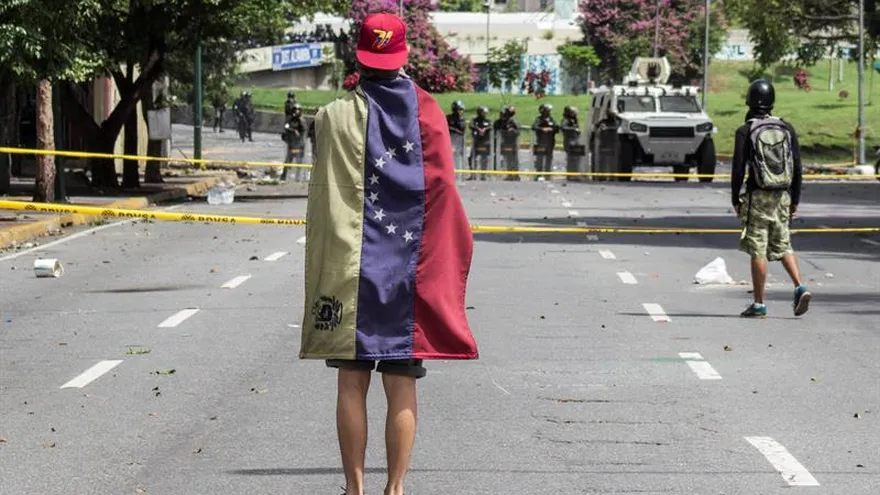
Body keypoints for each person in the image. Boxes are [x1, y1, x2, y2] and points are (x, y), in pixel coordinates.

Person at [299, 12, 478, 495]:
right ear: (402, 55)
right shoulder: (431, 115)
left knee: (350, 385)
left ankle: (354, 490)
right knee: (402, 385)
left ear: (359, 55)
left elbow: (325, 197)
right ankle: (395, 489)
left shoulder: (334, 117)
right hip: (409, 278)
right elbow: (444, 198)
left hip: (352, 275)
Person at [732, 78, 811, 318]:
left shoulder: (745, 131)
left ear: (749, 102)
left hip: (758, 196)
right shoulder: (787, 129)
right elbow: (797, 167)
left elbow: (738, 169)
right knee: (783, 243)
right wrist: (795, 199)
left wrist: (736, 198)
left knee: (758, 248)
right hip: (783, 196)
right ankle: (800, 286)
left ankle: (758, 304)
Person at [532, 103, 559, 180]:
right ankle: (539, 174)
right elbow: (534, 127)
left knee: (549, 158)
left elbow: (556, 128)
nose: (548, 112)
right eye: (547, 110)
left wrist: (552, 129)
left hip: (550, 141)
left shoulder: (551, 119)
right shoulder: (539, 119)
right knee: (540, 158)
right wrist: (542, 129)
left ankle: (548, 174)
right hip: (541, 141)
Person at [494, 105, 520, 181]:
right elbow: (496, 128)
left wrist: (512, 130)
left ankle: (515, 174)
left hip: (512, 142)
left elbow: (518, 131)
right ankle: (509, 174)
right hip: (504, 141)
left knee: (514, 159)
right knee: (507, 158)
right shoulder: (500, 122)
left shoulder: (513, 121)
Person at [281, 103, 306, 181]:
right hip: (291, 144)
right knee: (288, 161)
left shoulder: (301, 120)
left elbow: (302, 132)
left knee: (299, 162)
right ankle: (283, 177)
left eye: (298, 110)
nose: (296, 111)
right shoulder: (290, 120)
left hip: (299, 145)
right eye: (295, 110)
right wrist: (291, 131)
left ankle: (298, 178)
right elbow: (286, 129)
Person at [561, 106, 584, 182]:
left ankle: (576, 174)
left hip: (576, 140)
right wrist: (574, 129)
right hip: (569, 141)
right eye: (573, 112)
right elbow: (563, 127)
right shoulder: (566, 120)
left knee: (577, 158)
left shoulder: (574, 120)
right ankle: (570, 175)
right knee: (571, 159)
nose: (575, 114)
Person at [469, 106, 492, 181]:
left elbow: (491, 126)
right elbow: (471, 125)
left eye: (486, 113)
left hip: (485, 142)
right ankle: (473, 174)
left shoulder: (488, 121)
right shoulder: (474, 120)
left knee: (484, 158)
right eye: (483, 112)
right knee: (472, 158)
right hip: (476, 141)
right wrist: (478, 129)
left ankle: (483, 175)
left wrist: (485, 129)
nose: (485, 114)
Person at [446, 100, 467, 174]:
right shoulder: (448, 118)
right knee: (449, 157)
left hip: (458, 141)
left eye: (462, 109)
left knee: (458, 157)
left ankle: (459, 174)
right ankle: (449, 173)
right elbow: (446, 128)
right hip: (449, 141)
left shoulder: (462, 119)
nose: (461, 111)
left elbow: (462, 129)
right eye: (459, 109)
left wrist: (459, 120)